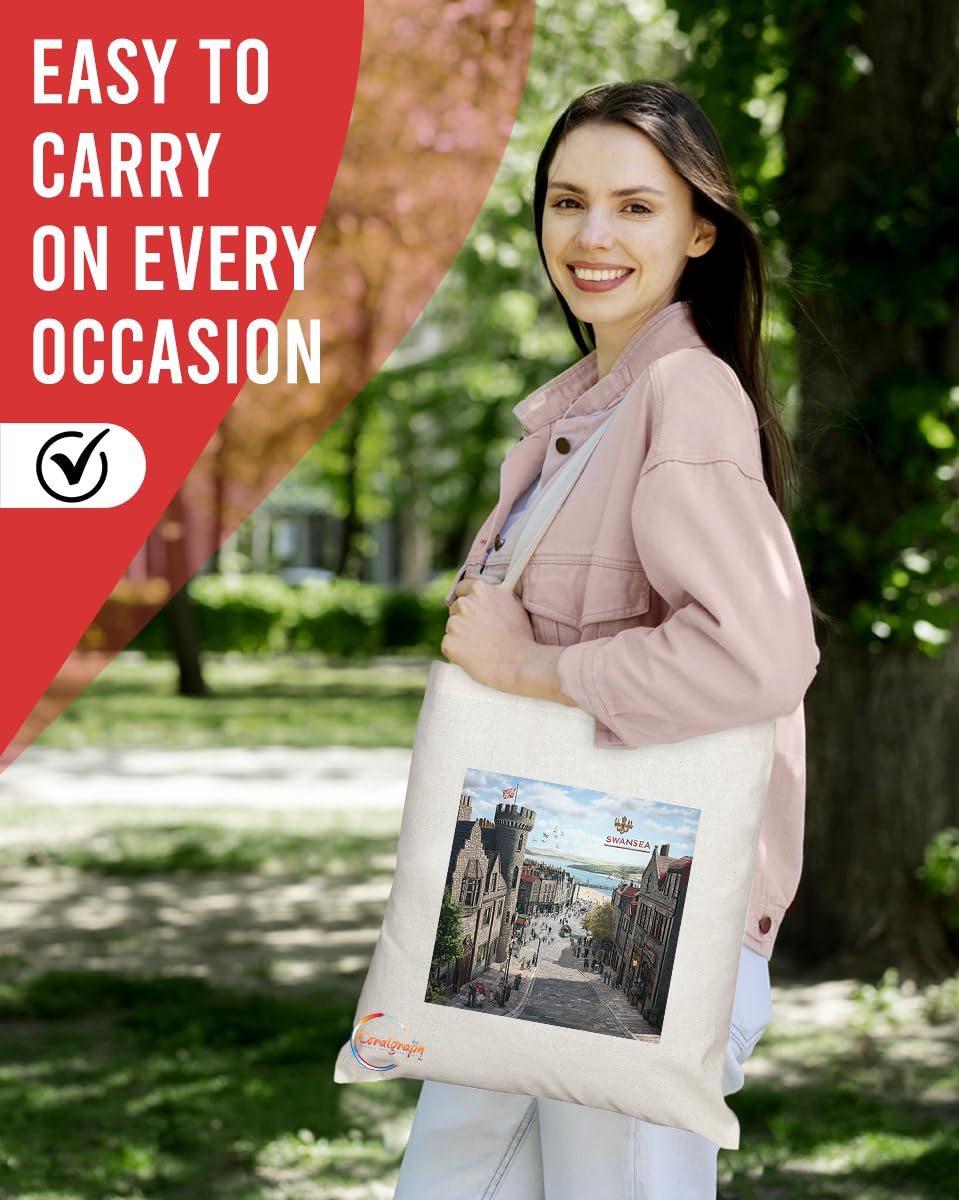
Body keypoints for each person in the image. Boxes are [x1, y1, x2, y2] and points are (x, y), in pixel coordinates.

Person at [393, 79, 819, 1200]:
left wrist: (530, 668)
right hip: (545, 917)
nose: (590, 236)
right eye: (566, 201)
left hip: (645, 926)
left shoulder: (684, 398)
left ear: (698, 229)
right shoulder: (587, 414)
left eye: (634, 207)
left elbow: (757, 659)